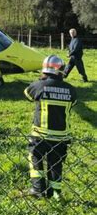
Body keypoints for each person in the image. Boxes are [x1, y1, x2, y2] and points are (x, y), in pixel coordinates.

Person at [24, 55, 77, 199]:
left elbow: (28, 95)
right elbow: (74, 102)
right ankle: (55, 194)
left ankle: (38, 190)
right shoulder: (70, 89)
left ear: (44, 70)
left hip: (40, 135)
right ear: (61, 70)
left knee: (35, 158)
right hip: (61, 136)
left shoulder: (38, 85)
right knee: (56, 163)